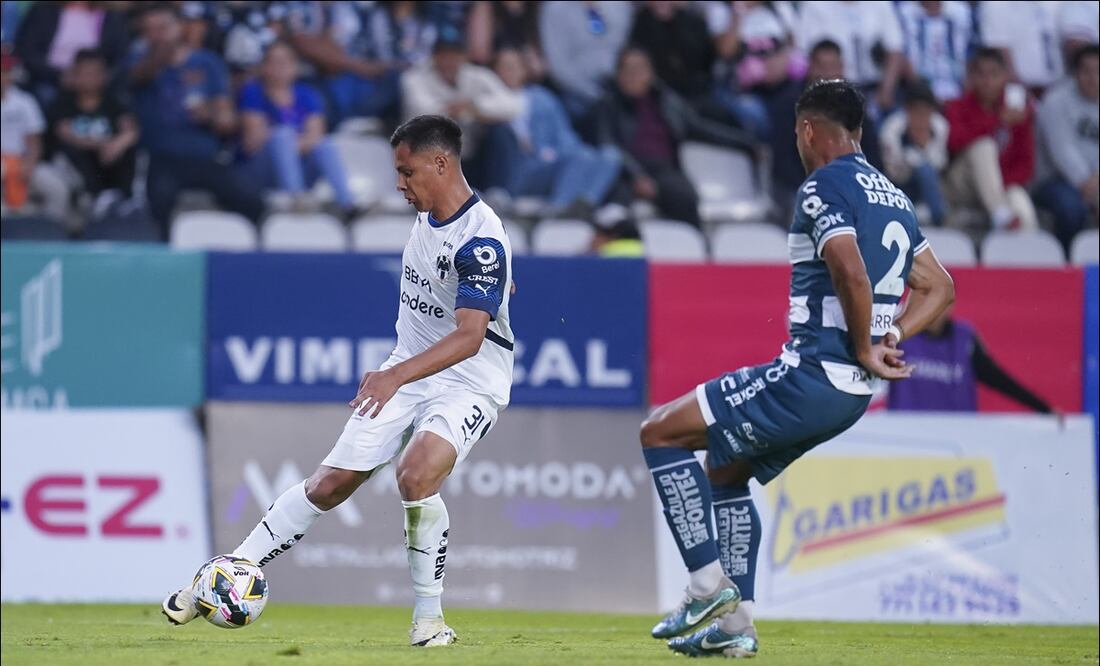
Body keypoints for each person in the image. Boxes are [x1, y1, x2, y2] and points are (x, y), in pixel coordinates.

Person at [162, 116, 515, 648]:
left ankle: (429, 620)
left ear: (440, 164)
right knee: (329, 485)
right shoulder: (431, 214)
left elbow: (469, 338)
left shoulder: (481, 238)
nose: (399, 184)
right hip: (410, 367)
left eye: (406, 171)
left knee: (415, 476)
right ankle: (226, 571)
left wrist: (394, 375)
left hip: (471, 378)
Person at [639, 79, 954, 658]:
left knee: (659, 432)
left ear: (808, 130)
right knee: (727, 472)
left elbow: (851, 272)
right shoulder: (894, 197)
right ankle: (737, 631)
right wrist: (892, 335)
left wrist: (864, 343)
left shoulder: (821, 186)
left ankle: (705, 587)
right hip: (851, 395)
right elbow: (941, 287)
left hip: (813, 373)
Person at [127, 3, 263, 234]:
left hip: (205, 157)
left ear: (180, 26)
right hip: (162, 159)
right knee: (158, 204)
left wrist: (209, 115)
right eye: (150, 29)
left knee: (251, 200)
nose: (157, 34)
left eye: (163, 27)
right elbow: (139, 76)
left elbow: (227, 120)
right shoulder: (137, 59)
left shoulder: (208, 63)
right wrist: (164, 51)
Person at [595, 47, 755, 228]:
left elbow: (700, 129)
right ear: (618, 74)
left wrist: (747, 144)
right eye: (628, 69)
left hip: (663, 169)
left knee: (684, 197)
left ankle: (693, 250)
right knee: (615, 207)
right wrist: (635, 176)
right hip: (623, 172)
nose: (634, 75)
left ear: (650, 72)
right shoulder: (608, 104)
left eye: (640, 69)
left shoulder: (667, 101)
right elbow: (607, 144)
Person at [493, 47, 621, 214]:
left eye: (514, 66)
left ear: (524, 70)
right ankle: (559, 208)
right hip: (524, 169)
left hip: (554, 160)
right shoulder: (489, 97)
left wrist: (565, 154)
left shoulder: (542, 98)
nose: (510, 72)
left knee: (610, 156)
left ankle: (585, 203)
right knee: (580, 157)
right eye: (505, 67)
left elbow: (565, 136)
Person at [238, 41, 353, 214]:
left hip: (300, 166)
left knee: (326, 145)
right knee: (282, 135)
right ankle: (295, 198)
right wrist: (287, 142)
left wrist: (287, 145)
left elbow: (316, 137)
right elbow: (253, 141)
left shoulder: (307, 94)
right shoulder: (253, 92)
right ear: (264, 67)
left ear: (295, 67)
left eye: (285, 62)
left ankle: (348, 205)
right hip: (263, 169)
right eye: (274, 62)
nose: (280, 67)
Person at [888, 306, 1058, 414]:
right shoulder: (898, 336)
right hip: (908, 439)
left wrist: (1044, 408)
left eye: (942, 300)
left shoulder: (965, 339)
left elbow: (998, 379)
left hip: (958, 440)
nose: (935, 307)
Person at [401, 36, 520, 191]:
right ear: (435, 56)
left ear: (464, 56)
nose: (450, 60)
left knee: (501, 131)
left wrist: (475, 107)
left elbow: (512, 106)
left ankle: (498, 192)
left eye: (455, 55)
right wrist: (450, 109)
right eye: (444, 55)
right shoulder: (414, 78)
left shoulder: (478, 76)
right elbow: (421, 111)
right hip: (434, 157)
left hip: (471, 153)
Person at [944, 48, 1038, 231]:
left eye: (994, 74)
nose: (988, 81)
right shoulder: (957, 106)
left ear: (1005, 77)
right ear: (971, 77)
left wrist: (999, 185)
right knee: (983, 146)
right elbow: (953, 142)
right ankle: (999, 213)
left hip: (1002, 185)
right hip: (961, 185)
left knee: (1022, 206)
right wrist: (998, 122)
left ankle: (1024, 256)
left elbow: (1026, 165)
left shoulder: (1017, 111)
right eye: (981, 74)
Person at [50, 48, 139, 210]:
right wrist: (99, 144)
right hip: (81, 162)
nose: (89, 79)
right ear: (74, 75)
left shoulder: (113, 100)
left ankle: (123, 198)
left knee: (128, 149)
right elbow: (64, 133)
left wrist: (116, 144)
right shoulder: (64, 101)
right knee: (72, 152)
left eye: (94, 73)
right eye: (84, 73)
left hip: (109, 158)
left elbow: (130, 130)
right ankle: (91, 197)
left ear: (103, 75)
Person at [1034, 45, 1099, 251]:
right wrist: (1089, 185)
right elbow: (1062, 151)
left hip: (1095, 181)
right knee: (1071, 209)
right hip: (1054, 181)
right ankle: (1067, 264)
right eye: (1086, 71)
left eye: (1098, 71)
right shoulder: (1056, 101)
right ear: (1075, 73)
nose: (1093, 78)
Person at [796, 1, 906, 116]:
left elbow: (894, 49)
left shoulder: (880, 4)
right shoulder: (814, 6)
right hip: (834, 89)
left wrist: (886, 90)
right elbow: (807, 54)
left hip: (874, 88)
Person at [1, 49, 69, 220]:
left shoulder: (24, 102)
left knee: (57, 188)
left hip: (22, 160)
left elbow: (34, 142)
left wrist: (28, 163)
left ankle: (51, 233)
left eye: (5, 72)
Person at [538, 1, 633, 119]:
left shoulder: (619, 6)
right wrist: (594, 93)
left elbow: (628, 50)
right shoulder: (555, 9)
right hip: (577, 91)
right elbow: (558, 65)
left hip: (620, 87)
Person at [879, 84, 949, 226]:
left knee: (927, 172)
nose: (921, 117)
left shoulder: (941, 126)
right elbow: (894, 172)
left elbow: (940, 163)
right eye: (917, 111)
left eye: (926, 111)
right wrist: (914, 152)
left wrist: (923, 146)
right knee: (923, 170)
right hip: (899, 186)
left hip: (930, 187)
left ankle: (938, 218)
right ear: (907, 110)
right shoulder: (891, 129)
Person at [896, 1, 973, 103]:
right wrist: (921, 91)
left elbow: (971, 53)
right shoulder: (904, 12)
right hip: (918, 90)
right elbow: (899, 53)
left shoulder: (961, 12)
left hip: (957, 88)